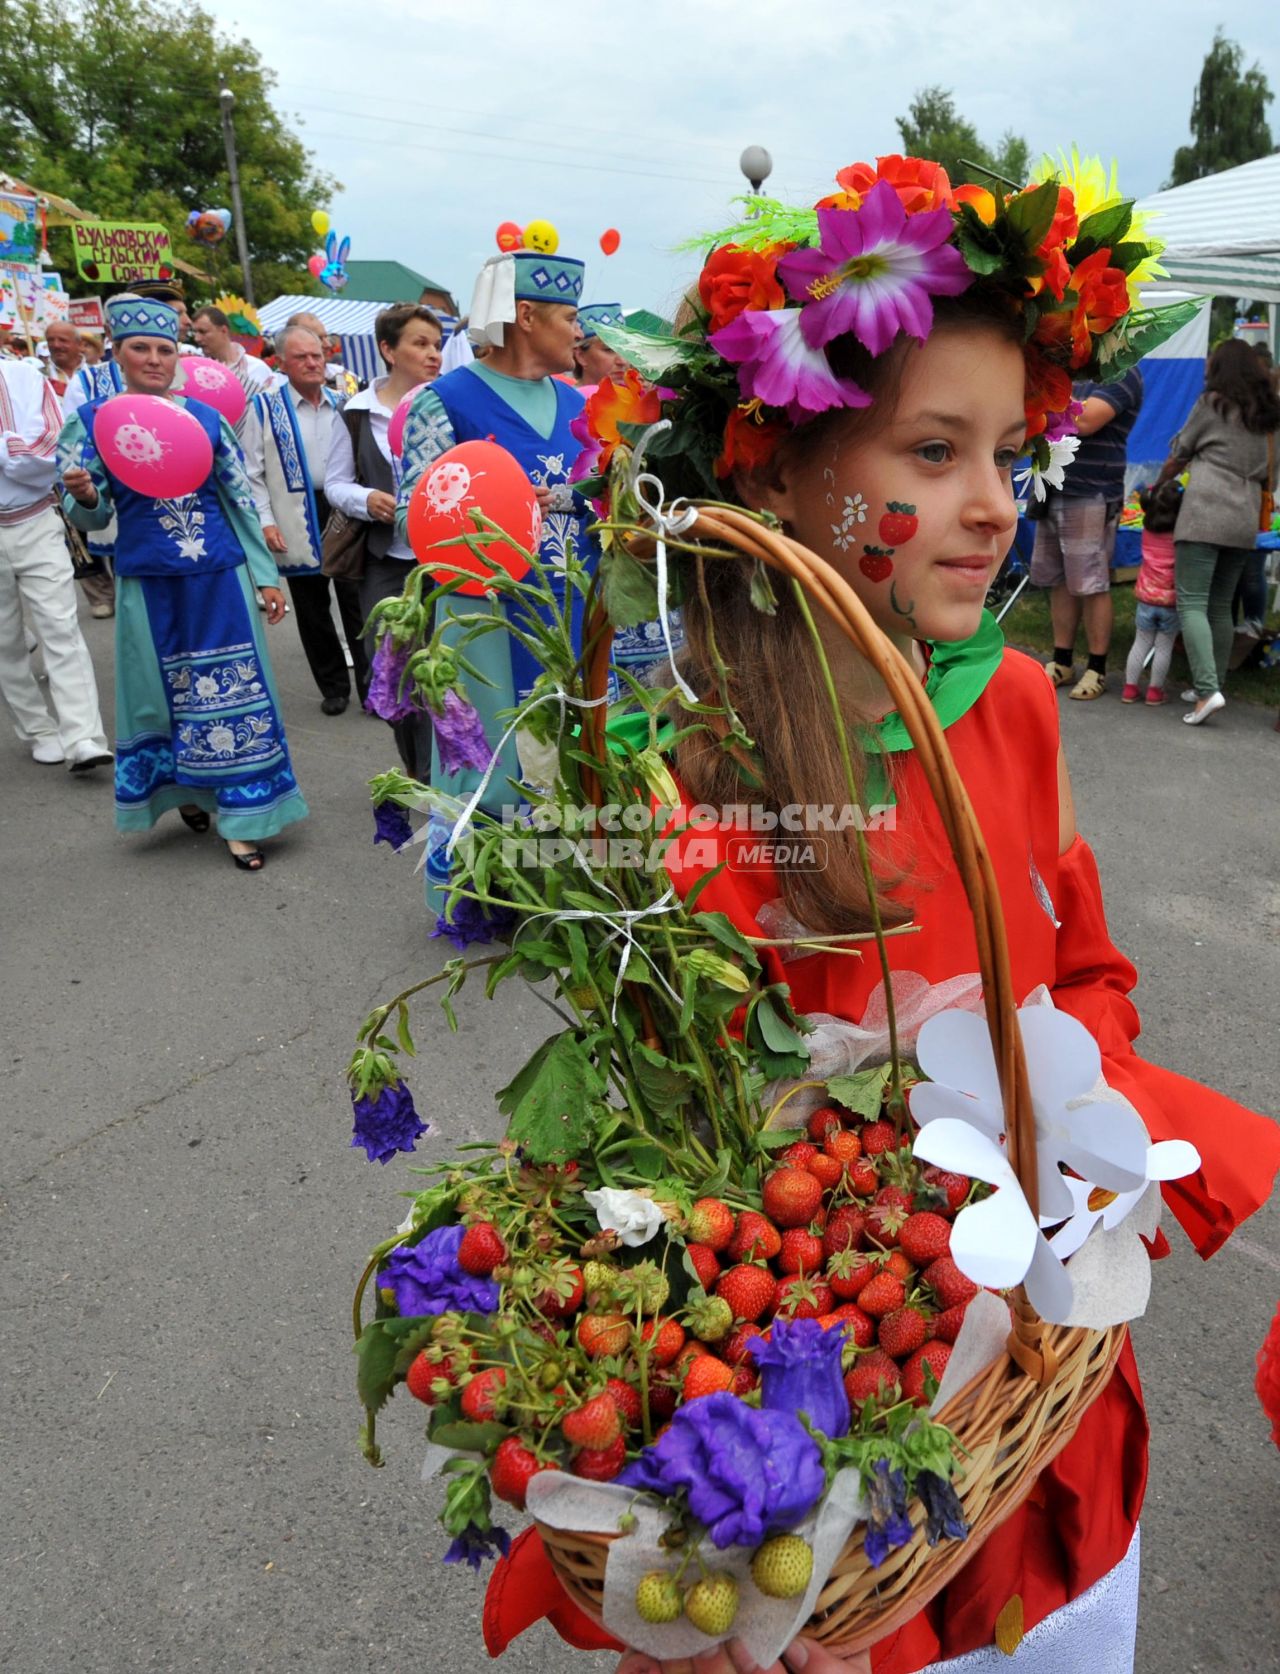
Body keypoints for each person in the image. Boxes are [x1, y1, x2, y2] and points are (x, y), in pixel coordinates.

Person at [483, 156, 1280, 1674]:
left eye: (1010, 450)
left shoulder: (1021, 703)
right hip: (846, 1477)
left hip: (1045, 1401)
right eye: (932, 450)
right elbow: (649, 1195)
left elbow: (1089, 966)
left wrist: (1058, 1115)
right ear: (775, 476)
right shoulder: (692, 793)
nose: (994, 507)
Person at [58, 293, 308, 870]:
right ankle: (185, 795)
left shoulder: (206, 418)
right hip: (147, 579)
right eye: (139, 348)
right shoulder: (93, 421)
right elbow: (88, 516)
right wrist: (86, 496)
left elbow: (240, 499)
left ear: (179, 355)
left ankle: (244, 819)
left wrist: (266, 578)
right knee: (160, 698)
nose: (153, 359)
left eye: (164, 349)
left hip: (217, 576)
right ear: (117, 353)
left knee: (236, 693)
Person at [394, 249, 593, 842]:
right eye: (569, 317)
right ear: (526, 316)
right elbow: (412, 518)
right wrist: (494, 509)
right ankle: (500, 897)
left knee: (580, 758)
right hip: (491, 622)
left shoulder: (582, 404)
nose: (579, 332)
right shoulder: (446, 399)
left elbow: (605, 500)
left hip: (578, 613)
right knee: (503, 766)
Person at [325, 301, 443, 772]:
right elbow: (335, 482)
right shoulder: (355, 413)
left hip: (443, 560)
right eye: (420, 343)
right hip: (385, 561)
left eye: (437, 345)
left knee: (445, 667)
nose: (432, 354)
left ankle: (446, 774)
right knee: (392, 668)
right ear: (387, 350)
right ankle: (417, 766)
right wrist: (367, 498)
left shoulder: (447, 403)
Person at [241, 324, 369, 714]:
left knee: (356, 601)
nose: (313, 363)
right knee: (312, 607)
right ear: (281, 362)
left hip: (342, 507)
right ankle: (333, 687)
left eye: (317, 354)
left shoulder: (346, 402)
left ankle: (371, 688)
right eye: (301, 357)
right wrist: (265, 521)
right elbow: (251, 473)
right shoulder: (263, 408)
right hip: (294, 511)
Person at [1157, 339, 1280, 725]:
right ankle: (1212, 683)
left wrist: (1160, 482)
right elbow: (1271, 476)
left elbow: (1181, 449)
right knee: (1221, 604)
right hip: (1243, 515)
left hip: (1205, 510)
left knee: (1191, 602)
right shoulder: (1270, 416)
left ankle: (1208, 690)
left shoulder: (1212, 404)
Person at [0, 353, 113, 770]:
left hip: (34, 519)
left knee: (60, 628)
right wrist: (14, 447)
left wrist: (7, 450)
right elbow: (25, 456)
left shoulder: (24, 377)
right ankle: (38, 730)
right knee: (5, 641)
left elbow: (47, 454)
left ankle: (83, 735)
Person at [1031, 366, 1144, 701]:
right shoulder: (1073, 373)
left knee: (1091, 583)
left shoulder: (1124, 374)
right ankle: (1062, 660)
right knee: (1059, 579)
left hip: (1092, 492)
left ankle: (1097, 668)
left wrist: (1046, 404)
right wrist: (1059, 403)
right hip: (1054, 485)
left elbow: (1086, 420)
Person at [44, 318, 117, 617]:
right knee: (81, 527)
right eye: (51, 341)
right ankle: (100, 592)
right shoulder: (39, 375)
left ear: (80, 344)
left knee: (110, 522)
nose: (57, 346)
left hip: (104, 453)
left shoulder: (93, 376)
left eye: (63, 340)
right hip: (65, 454)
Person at [1120, 480, 1181, 705]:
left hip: (1146, 598)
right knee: (1164, 646)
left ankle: (1129, 688)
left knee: (1141, 642)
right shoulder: (1179, 536)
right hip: (1169, 600)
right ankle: (1155, 691)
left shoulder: (1146, 531)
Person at [191, 304, 274, 420]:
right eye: (195, 332)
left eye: (203, 332)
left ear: (223, 331)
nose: (197, 338)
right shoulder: (195, 372)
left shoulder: (257, 368)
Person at [572, 302, 628, 388]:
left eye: (626, 351)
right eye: (609, 350)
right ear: (580, 356)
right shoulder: (562, 400)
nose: (622, 361)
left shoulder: (637, 399)